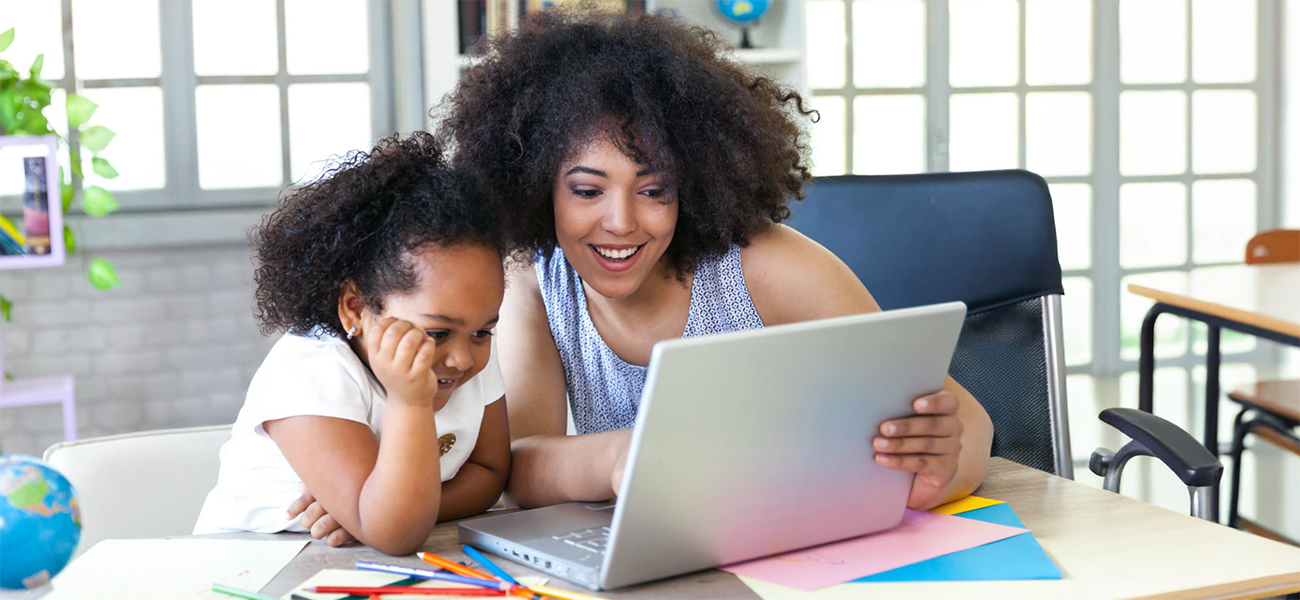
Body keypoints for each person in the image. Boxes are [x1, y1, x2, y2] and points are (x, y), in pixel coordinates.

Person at [439, 10, 994, 512]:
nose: (621, 222)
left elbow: (969, 422)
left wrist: (941, 465)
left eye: (655, 191)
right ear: (536, 189)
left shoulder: (764, 269)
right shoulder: (534, 281)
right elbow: (522, 466)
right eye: (587, 191)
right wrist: (622, 458)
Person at [192, 133, 510, 555]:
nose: (462, 358)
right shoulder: (309, 371)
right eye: (436, 334)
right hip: (251, 565)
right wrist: (409, 403)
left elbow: (489, 473)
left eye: (482, 332)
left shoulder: (465, 357)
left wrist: (384, 516)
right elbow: (395, 534)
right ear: (355, 307)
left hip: (356, 560)